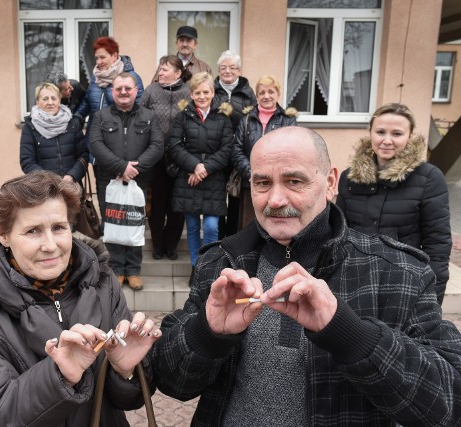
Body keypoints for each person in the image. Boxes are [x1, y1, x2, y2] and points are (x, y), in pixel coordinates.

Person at [149, 126, 461, 426]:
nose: (275, 200)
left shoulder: (397, 272)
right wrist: (207, 333)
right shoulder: (222, 263)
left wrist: (350, 334)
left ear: (330, 182)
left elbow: (448, 403)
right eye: (262, 183)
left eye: (294, 181)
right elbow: (173, 381)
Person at [0, 171, 161, 426]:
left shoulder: (102, 281)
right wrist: (60, 377)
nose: (50, 245)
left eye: (58, 228)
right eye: (33, 231)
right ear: (2, 233)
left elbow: (127, 400)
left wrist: (125, 372)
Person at [337, 103, 451, 305]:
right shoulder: (349, 177)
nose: (387, 141)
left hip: (404, 284)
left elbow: (437, 244)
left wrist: (432, 299)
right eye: (380, 132)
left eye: (397, 134)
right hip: (356, 281)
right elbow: (339, 234)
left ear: (409, 136)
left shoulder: (429, 178)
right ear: (370, 133)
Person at [89, 72, 163, 290]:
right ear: (112, 92)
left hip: (137, 181)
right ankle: (116, 269)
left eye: (127, 88)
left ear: (135, 91)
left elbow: (157, 145)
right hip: (108, 180)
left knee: (134, 223)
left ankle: (133, 270)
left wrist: (133, 169)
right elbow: (95, 144)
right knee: (112, 224)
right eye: (119, 88)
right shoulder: (100, 117)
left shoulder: (149, 116)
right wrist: (121, 167)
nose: (123, 92)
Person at [166, 71, 233, 273]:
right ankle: (196, 265)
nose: (202, 96)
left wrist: (205, 168)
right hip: (189, 179)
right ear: (191, 94)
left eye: (206, 92)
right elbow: (174, 146)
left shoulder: (223, 119)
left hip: (213, 179)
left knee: (212, 226)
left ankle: (208, 265)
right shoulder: (182, 117)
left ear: (213, 93)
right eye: (197, 92)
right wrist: (195, 165)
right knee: (193, 226)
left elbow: (227, 149)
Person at [140, 55, 192, 261]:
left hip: (181, 158)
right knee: (157, 206)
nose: (160, 73)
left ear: (178, 73)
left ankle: (171, 245)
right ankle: (158, 244)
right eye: (160, 69)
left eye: (165, 69)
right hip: (156, 159)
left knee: (176, 206)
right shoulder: (151, 91)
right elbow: (140, 117)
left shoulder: (188, 92)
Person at [232, 75, 297, 231]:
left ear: (278, 94)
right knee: (249, 224)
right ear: (257, 95)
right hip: (251, 183)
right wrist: (253, 173)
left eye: (271, 92)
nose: (266, 96)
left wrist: (274, 174)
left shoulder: (288, 120)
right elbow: (237, 150)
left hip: (278, 184)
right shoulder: (246, 119)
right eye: (262, 92)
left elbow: (292, 150)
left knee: (274, 223)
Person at [74, 36, 144, 158]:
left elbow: (140, 108)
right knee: (100, 176)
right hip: (96, 139)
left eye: (103, 57)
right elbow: (87, 102)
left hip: (120, 141)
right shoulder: (96, 77)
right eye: (96, 58)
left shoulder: (131, 78)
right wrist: (76, 117)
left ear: (115, 56)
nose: (98, 62)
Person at [212, 50, 257, 238]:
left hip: (239, 152)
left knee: (236, 197)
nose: (227, 71)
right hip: (217, 151)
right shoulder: (212, 90)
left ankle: (232, 236)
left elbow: (253, 120)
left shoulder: (247, 93)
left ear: (239, 70)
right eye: (223, 67)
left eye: (232, 67)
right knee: (217, 196)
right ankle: (219, 236)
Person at [19, 82, 88, 184]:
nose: (50, 102)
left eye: (53, 98)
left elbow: (83, 155)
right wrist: (49, 180)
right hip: (44, 189)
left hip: (71, 187)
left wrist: (72, 176)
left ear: (59, 100)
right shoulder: (30, 127)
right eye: (45, 99)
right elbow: (27, 161)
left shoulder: (72, 123)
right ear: (37, 101)